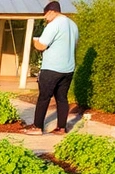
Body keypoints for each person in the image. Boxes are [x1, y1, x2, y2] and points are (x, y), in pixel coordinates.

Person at [23, 1, 79, 135]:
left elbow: (41, 46)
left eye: (46, 14)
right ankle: (61, 128)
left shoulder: (54, 24)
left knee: (44, 97)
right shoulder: (73, 25)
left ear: (52, 11)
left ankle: (37, 127)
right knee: (62, 98)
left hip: (52, 68)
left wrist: (35, 40)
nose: (45, 18)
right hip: (68, 68)